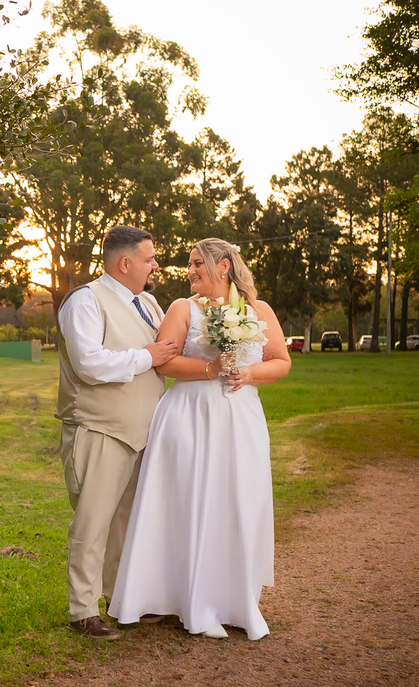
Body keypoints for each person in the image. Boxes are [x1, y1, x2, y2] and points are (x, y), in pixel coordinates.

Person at [108, 237, 292, 640]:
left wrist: (249, 373)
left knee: (239, 504)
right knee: (191, 503)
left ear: (223, 266)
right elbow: (164, 363)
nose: (189, 271)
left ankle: (237, 603)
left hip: (241, 419)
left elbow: (281, 361)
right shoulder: (182, 309)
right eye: (188, 264)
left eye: (196, 263)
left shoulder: (259, 310)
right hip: (189, 417)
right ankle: (192, 603)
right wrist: (211, 369)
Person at [55, 225, 180, 641]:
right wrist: (146, 356)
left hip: (143, 430)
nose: (155, 265)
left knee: (126, 522)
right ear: (125, 263)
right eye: (149, 258)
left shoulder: (148, 302)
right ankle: (83, 611)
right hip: (99, 428)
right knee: (93, 522)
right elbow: (89, 363)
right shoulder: (85, 301)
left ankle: (121, 599)